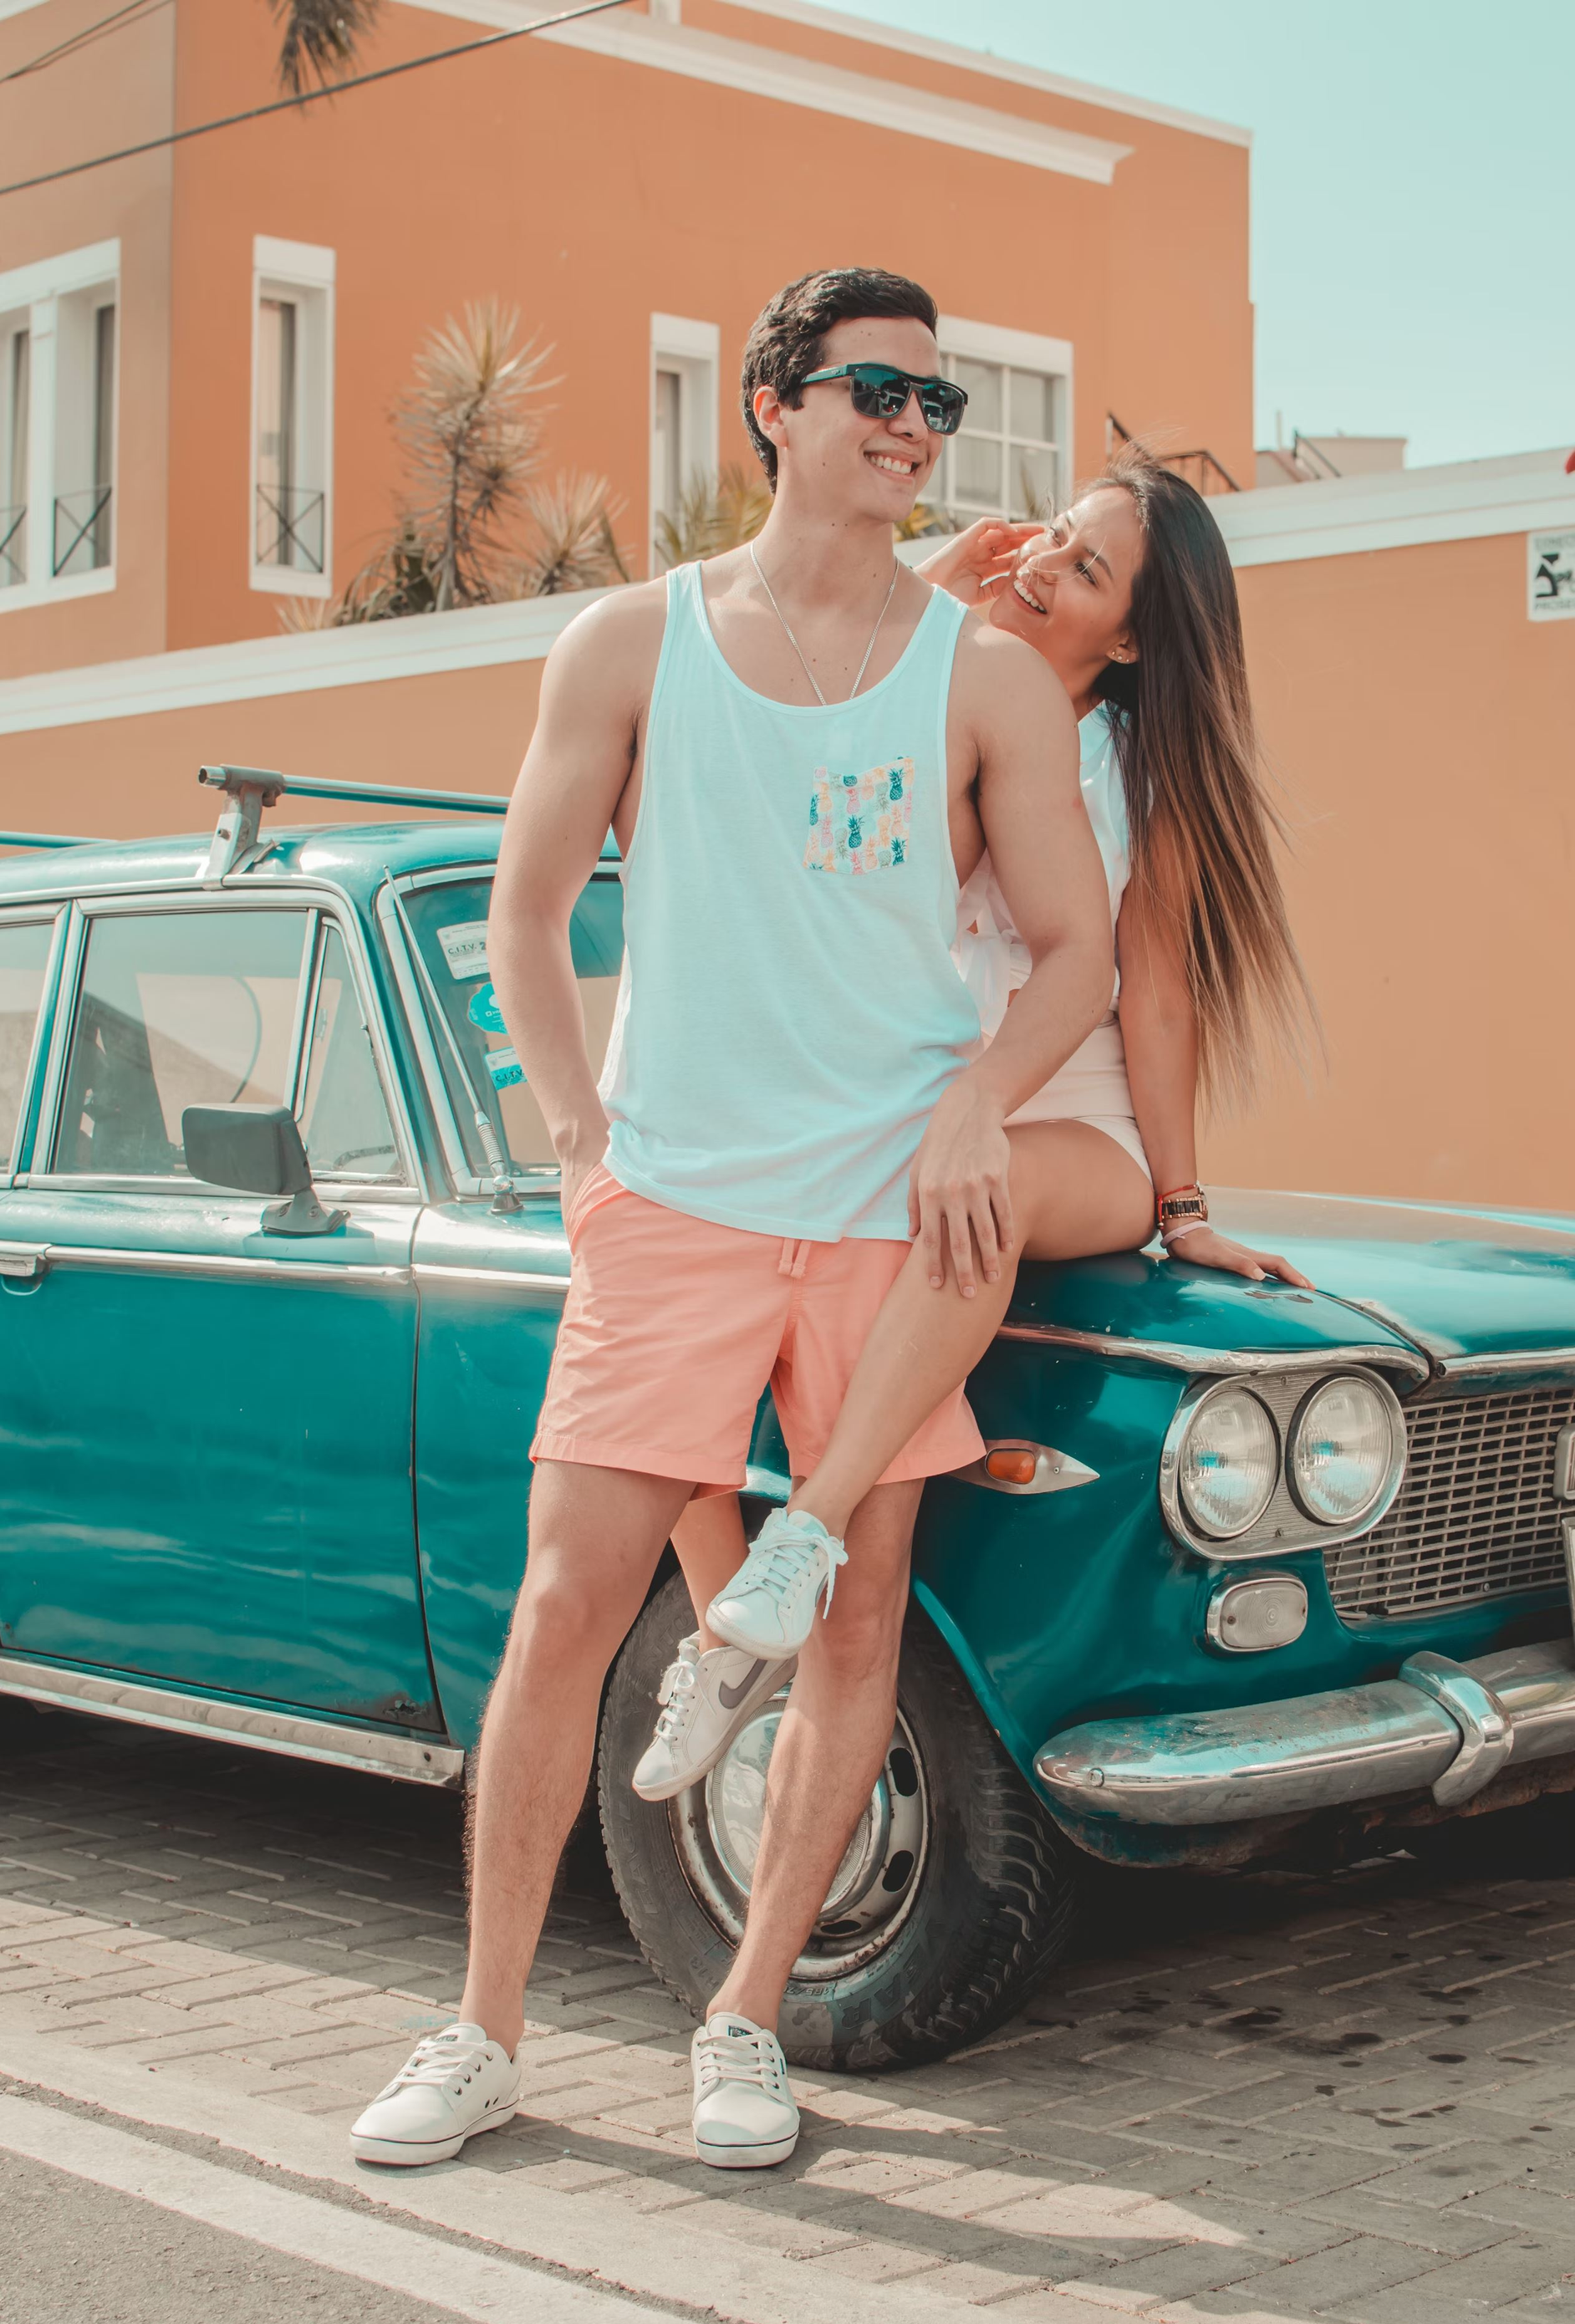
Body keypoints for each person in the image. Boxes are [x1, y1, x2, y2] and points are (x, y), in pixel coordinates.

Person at [349, 266, 1113, 2176]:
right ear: (772, 404)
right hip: (674, 1197)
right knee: (558, 1617)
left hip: (887, 1211)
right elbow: (525, 918)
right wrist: (580, 1131)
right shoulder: (629, 643)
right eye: (878, 389)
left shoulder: (991, 680)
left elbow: (1081, 950)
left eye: (938, 405)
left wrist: (969, 1102)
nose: (914, 428)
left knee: (852, 1628)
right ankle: (483, 2029)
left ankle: (746, 2018)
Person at [642, 445, 1313, 1791]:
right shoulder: (922, 695)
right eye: (1053, 532)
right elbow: (811, 879)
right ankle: (729, 1640)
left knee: (979, 1169)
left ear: (1131, 638)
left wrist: (1184, 1208)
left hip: (1071, 1132)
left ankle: (811, 1531)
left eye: (1085, 567)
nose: (1043, 563)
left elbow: (1158, 993)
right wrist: (926, 601)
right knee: (671, 1265)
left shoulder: (1137, 771)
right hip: (902, 1115)